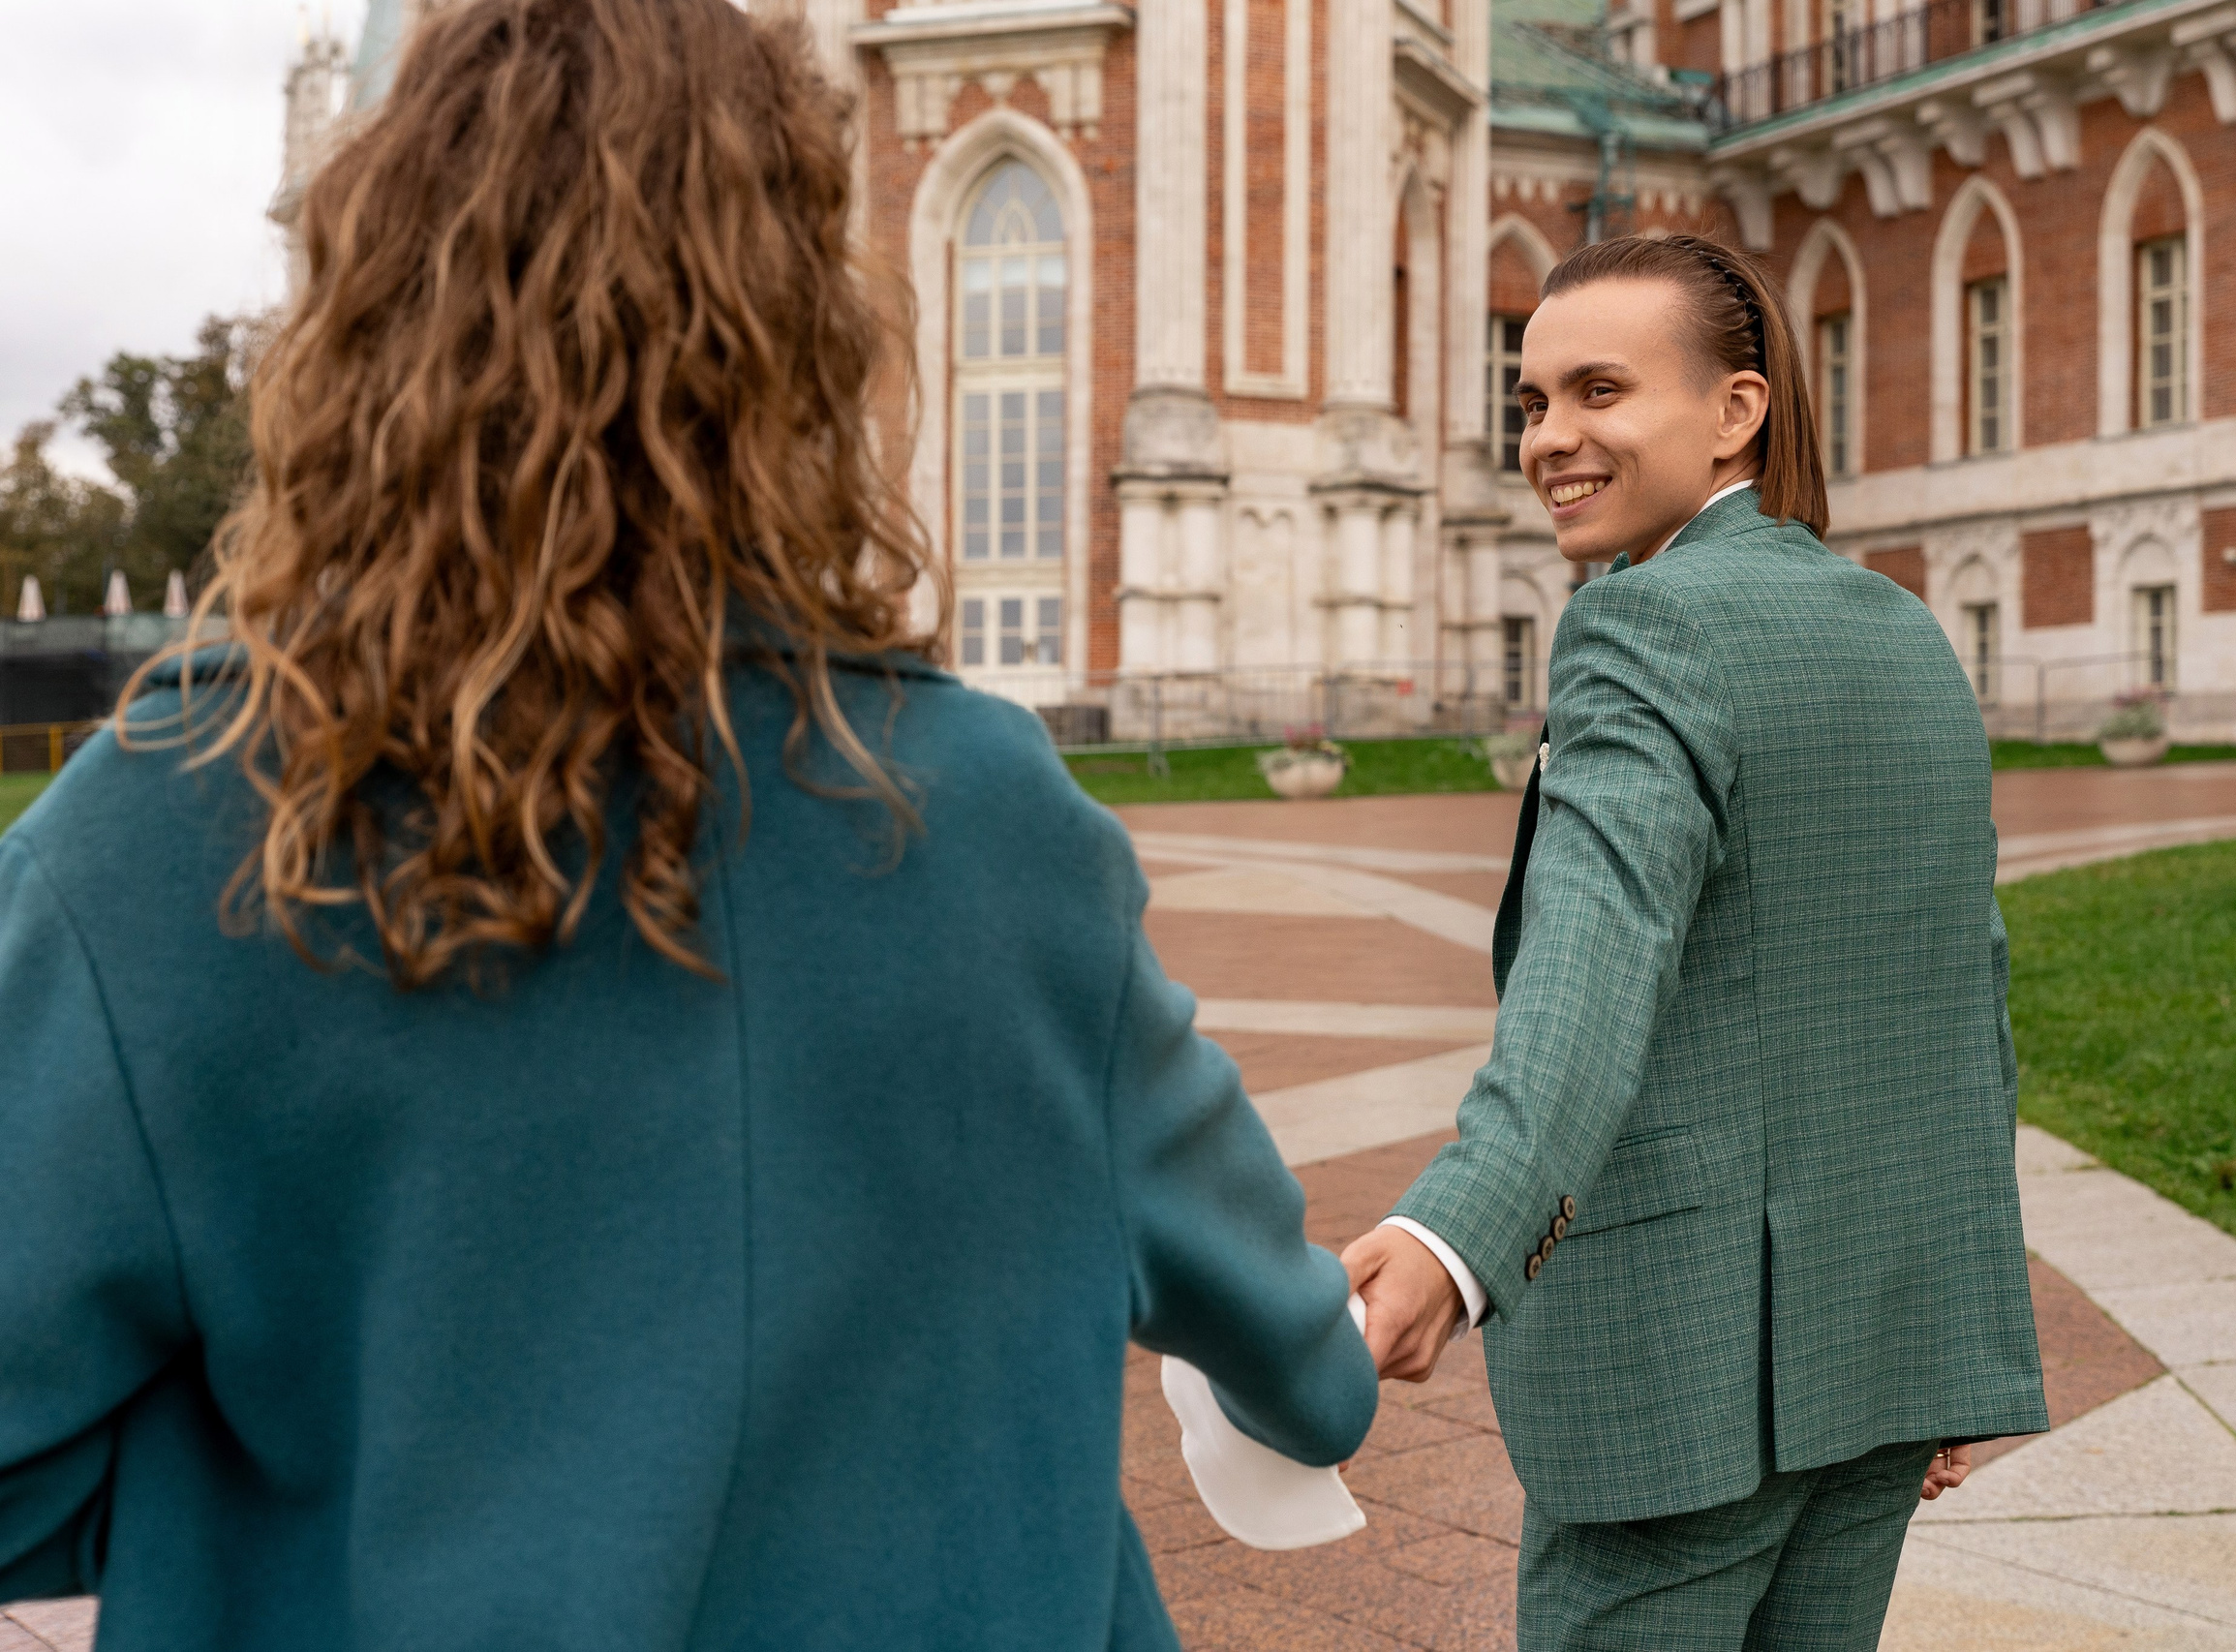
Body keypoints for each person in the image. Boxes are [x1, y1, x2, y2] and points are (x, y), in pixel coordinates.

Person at [0, 2, 1375, 1646]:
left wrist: (301, 1461)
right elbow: (1307, 1367)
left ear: (361, 324)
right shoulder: (1003, 821)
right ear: (801, 326)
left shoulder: (171, 823)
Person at [1342, 232, 2049, 1650]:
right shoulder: (1908, 631)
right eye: (1533, 400)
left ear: (1738, 409)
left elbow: (1589, 978)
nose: (1552, 438)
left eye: (1600, 390)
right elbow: (1966, 997)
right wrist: (1956, 1333)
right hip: (1882, 1342)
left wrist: (1452, 1235)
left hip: (1682, 1365)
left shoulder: (1638, 624)